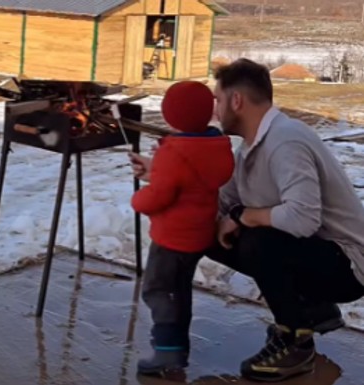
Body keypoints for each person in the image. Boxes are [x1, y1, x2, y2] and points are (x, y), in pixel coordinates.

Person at [129, 58, 364, 382]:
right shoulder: (250, 148)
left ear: (236, 101)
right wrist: (162, 174)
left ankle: (295, 339)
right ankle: (312, 309)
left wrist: (243, 217)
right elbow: (221, 200)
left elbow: (303, 219)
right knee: (208, 231)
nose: (215, 110)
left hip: (348, 267)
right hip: (316, 254)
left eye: (219, 100)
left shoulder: (286, 141)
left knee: (258, 240)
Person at [130, 81, 235, 377]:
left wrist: (138, 199)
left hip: (172, 239)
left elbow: (160, 195)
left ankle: (167, 352)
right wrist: (158, 168)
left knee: (157, 290)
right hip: (198, 235)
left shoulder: (175, 151)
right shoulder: (215, 146)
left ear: (171, 116)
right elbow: (187, 183)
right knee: (179, 291)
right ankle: (178, 345)